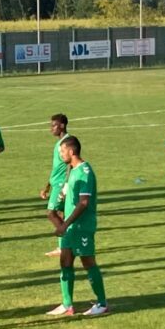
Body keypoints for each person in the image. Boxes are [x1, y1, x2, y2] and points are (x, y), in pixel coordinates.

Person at [47, 137, 108, 316]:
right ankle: (67, 305)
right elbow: (68, 196)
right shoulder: (72, 171)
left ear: (71, 151)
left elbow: (83, 203)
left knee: (88, 262)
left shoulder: (85, 172)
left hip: (82, 226)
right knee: (65, 261)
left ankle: (102, 303)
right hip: (71, 227)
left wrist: (65, 224)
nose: (61, 155)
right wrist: (54, 210)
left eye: (62, 152)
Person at [41, 114, 72, 256]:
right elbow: (57, 167)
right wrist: (47, 185)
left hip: (61, 184)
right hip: (56, 183)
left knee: (51, 213)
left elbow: (70, 165)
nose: (51, 128)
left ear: (62, 126)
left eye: (54, 125)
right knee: (60, 214)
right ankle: (63, 246)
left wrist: (65, 186)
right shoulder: (59, 143)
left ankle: (65, 244)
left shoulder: (67, 143)